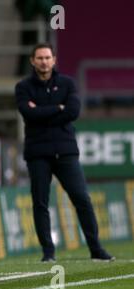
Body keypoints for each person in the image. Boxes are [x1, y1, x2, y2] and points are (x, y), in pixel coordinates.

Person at [15, 43, 115, 262]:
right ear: (32, 61)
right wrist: (56, 109)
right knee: (40, 202)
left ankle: (96, 249)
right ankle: (48, 253)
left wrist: (42, 111)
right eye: (39, 58)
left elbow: (72, 112)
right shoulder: (23, 87)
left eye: (47, 57)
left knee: (82, 198)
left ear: (54, 60)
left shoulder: (67, 83)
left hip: (66, 151)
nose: (43, 61)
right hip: (37, 154)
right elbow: (28, 114)